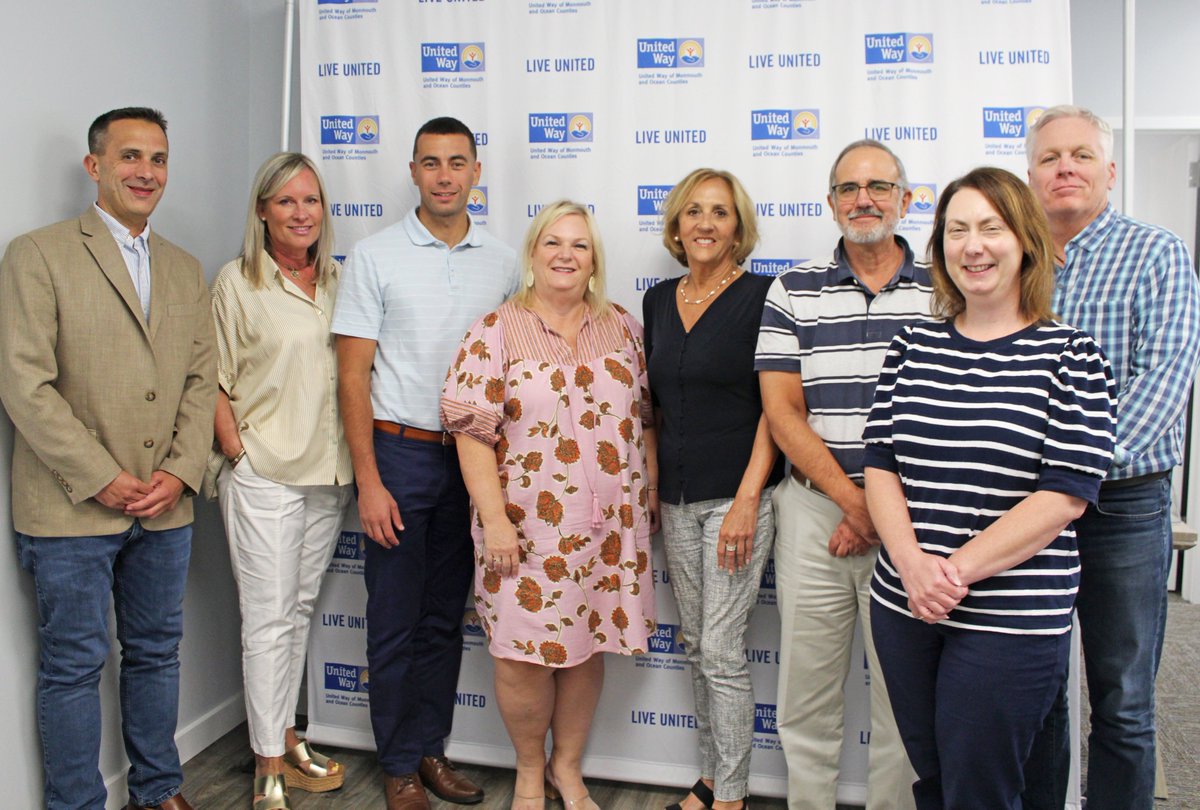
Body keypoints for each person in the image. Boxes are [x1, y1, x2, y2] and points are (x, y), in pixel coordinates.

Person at [862, 166, 1117, 808]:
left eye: (991, 228)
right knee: (935, 780)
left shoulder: (1072, 356)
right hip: (905, 605)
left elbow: (1064, 495)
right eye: (957, 231)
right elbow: (881, 464)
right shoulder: (911, 345)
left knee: (982, 791)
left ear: (1025, 241)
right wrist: (912, 567)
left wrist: (951, 575)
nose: (973, 246)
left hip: (1010, 618)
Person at [0, 107, 215, 810]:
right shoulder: (38, 254)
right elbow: (24, 384)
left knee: (156, 653)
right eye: (130, 156)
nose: (146, 172)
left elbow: (201, 382)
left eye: (158, 158)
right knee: (72, 666)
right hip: (70, 509)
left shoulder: (185, 268)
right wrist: (102, 477)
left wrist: (179, 472)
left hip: (165, 508)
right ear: (95, 166)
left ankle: (157, 790)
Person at [441, 200, 657, 810]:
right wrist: (494, 522)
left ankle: (568, 768)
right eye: (553, 243)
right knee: (523, 657)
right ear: (532, 254)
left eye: (579, 245)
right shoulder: (494, 331)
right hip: (526, 531)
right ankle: (530, 773)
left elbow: (645, 419)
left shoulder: (623, 326)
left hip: (611, 530)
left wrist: (649, 495)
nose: (566, 255)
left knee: (587, 645)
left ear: (594, 261)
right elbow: (472, 435)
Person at [332, 116, 519, 810]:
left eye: (457, 162)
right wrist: (369, 480)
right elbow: (352, 377)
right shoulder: (374, 255)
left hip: (471, 463)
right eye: (431, 163)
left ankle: (431, 750)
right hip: (399, 455)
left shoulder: (504, 262)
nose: (444, 176)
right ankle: (398, 766)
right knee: (394, 621)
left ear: (476, 172)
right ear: (413, 171)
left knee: (444, 619)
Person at [1020, 105, 1200, 810]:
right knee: (1037, 690)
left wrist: (1074, 469)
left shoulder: (1156, 253)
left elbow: (1164, 381)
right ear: (1030, 175)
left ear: (1110, 171)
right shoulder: (1011, 258)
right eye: (1050, 157)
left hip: (1122, 501)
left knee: (1122, 698)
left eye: (1082, 156)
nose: (1065, 168)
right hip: (1026, 502)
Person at [755, 139, 924, 810]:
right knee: (806, 694)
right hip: (815, 512)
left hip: (915, 517)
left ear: (905, 199)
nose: (864, 200)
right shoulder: (793, 289)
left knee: (902, 698)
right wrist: (853, 502)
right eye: (849, 188)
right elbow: (782, 411)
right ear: (830, 204)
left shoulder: (946, 289)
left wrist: (879, 509)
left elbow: (950, 411)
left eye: (879, 186)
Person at [208, 152, 354, 809]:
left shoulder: (340, 281)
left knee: (297, 611)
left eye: (311, 200)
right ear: (263, 211)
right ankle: (267, 763)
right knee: (266, 620)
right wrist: (237, 452)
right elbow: (211, 378)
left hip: (328, 473)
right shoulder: (237, 282)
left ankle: (286, 737)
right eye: (287, 201)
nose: (301, 213)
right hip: (265, 472)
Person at [643, 169, 784, 810]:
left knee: (722, 650)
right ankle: (711, 775)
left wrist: (749, 500)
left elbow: (776, 410)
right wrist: (652, 483)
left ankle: (731, 796)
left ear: (738, 229)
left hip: (736, 497)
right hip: (677, 499)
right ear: (677, 225)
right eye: (694, 210)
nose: (705, 223)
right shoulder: (657, 301)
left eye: (720, 212)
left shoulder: (763, 297)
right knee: (700, 645)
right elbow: (655, 405)